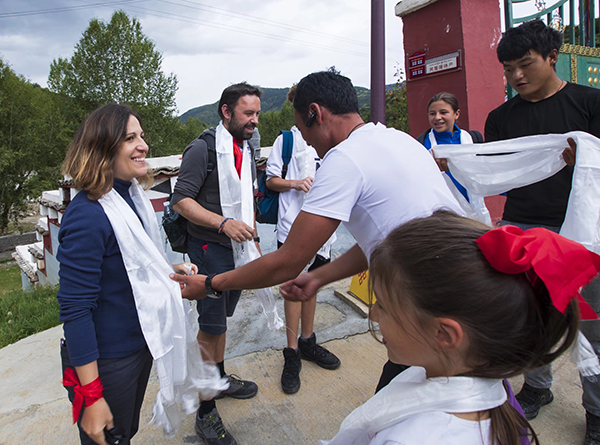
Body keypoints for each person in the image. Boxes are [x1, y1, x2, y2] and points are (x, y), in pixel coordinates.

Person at [170, 70, 464, 393]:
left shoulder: (344, 159)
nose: (306, 141)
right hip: (462, 288)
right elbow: (381, 241)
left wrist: (211, 284)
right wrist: (318, 278)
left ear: (315, 113)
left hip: (428, 307)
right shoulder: (399, 139)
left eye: (303, 129)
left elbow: (289, 261)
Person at [321, 210, 600, 445]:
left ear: (444, 334)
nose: (374, 314)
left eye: (382, 305)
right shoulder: (493, 391)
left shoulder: (414, 438)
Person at [484, 19, 600, 440]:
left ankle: (597, 412)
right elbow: (498, 172)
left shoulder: (591, 105)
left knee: (589, 324)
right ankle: (536, 387)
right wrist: (459, 163)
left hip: (582, 231)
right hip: (523, 226)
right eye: (508, 68)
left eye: (525, 65)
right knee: (529, 316)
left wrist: (583, 160)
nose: (516, 76)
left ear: (553, 58)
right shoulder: (501, 118)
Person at [57, 104, 200, 445]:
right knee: (109, 438)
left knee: (125, 432)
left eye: (142, 136)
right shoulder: (87, 216)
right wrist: (91, 395)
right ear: (102, 148)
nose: (144, 145)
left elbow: (132, 265)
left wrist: (167, 271)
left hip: (141, 343)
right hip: (109, 358)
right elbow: (75, 310)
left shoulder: (131, 197)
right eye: (130, 138)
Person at [171, 82, 262, 445]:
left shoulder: (245, 144)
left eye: (257, 113)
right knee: (210, 328)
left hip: (238, 251)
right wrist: (223, 223)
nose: (255, 120)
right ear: (226, 112)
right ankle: (205, 415)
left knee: (220, 323)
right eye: (248, 114)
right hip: (210, 250)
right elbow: (181, 201)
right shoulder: (202, 148)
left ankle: (219, 380)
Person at [265, 85, 340, 395]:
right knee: (293, 290)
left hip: (325, 231)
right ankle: (292, 350)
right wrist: (295, 183)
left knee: (312, 284)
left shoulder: (329, 140)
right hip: (293, 227)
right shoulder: (286, 140)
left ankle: (309, 341)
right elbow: (270, 180)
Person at [416, 92, 483, 202]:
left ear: (456, 114)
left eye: (443, 112)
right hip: (439, 210)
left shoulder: (473, 139)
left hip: (473, 208)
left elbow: (486, 172)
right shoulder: (421, 145)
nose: (437, 117)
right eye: (432, 113)